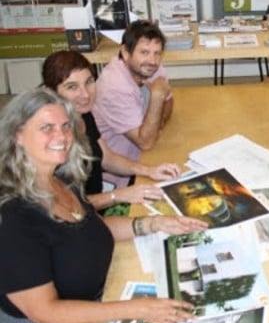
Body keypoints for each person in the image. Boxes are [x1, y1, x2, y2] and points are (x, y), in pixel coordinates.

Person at [0, 88, 208, 323]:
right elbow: (44, 311)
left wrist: (152, 223)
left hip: (97, 302)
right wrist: (138, 309)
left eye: (65, 126)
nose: (62, 136)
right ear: (17, 135)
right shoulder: (12, 217)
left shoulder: (62, 177)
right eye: (46, 128)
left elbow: (90, 231)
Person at [42, 50, 181, 211]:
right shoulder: (52, 140)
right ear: (51, 92)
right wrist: (118, 196)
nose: (85, 94)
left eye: (89, 82)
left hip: (98, 202)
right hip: (78, 219)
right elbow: (66, 206)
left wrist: (149, 171)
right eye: (72, 87)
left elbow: (107, 158)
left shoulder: (83, 114)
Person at [93, 20, 173, 188]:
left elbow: (169, 102)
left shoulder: (149, 67)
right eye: (144, 52)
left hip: (145, 157)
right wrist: (157, 96)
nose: (152, 60)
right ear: (126, 52)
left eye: (157, 53)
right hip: (121, 176)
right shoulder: (114, 86)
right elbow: (146, 142)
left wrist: (158, 126)